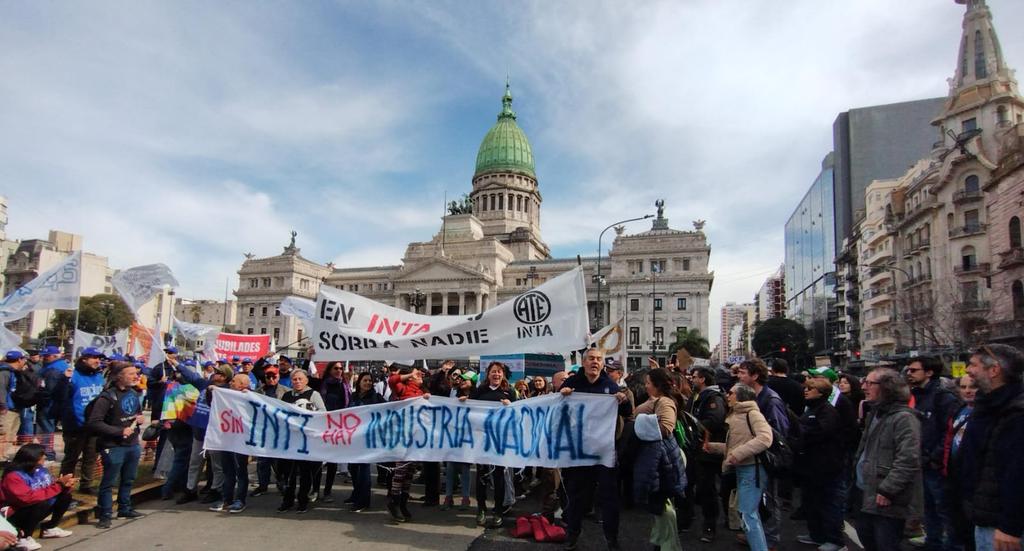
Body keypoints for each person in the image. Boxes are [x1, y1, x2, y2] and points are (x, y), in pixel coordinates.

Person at [559, 347, 632, 551]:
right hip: (578, 452)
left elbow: (627, 413)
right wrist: (561, 395)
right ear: (584, 362)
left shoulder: (610, 385)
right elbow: (556, 408)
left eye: (599, 359)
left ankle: (612, 538)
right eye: (591, 358)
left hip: (603, 452)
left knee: (609, 497)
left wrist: (623, 401)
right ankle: (572, 535)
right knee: (576, 496)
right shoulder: (571, 383)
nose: (595, 362)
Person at [959, 344, 1024, 551]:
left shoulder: (1016, 412)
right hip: (982, 515)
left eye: (973, 365)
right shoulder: (987, 406)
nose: (968, 370)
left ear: (994, 370)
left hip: (1003, 529)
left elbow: (1017, 472)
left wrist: (1010, 526)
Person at [853, 367, 922, 551]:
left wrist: (889, 489)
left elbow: (908, 458)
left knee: (886, 542)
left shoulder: (903, 418)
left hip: (885, 496)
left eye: (869, 383)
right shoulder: (876, 412)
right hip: (866, 490)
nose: (864, 387)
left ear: (886, 387)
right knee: (868, 537)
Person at [705, 383, 773, 551]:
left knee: (748, 514)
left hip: (752, 469)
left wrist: (737, 454)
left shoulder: (752, 414)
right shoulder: (737, 415)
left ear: (741, 396)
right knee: (748, 513)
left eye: (731, 393)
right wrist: (714, 447)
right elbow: (736, 444)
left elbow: (765, 438)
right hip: (744, 468)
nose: (727, 396)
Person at [906, 356, 963, 551]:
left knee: (945, 510)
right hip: (922, 460)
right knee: (929, 507)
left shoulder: (943, 396)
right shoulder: (917, 395)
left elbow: (949, 431)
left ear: (929, 372)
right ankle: (933, 541)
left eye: (914, 370)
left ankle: (953, 545)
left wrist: (934, 456)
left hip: (936, 464)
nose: (909, 374)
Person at [735, 359, 789, 549]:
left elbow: (779, 431)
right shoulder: (753, 397)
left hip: (768, 457)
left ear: (755, 375)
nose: (739, 376)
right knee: (757, 501)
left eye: (742, 373)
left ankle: (770, 539)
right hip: (755, 459)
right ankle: (758, 534)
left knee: (770, 499)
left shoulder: (771, 400)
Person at [86, 361, 146, 529]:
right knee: (109, 481)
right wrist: (118, 432)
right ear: (119, 377)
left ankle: (124, 508)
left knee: (128, 479)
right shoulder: (107, 397)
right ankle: (104, 514)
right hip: (113, 445)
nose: (136, 376)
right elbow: (95, 423)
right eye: (131, 374)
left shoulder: (133, 394)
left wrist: (139, 420)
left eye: (136, 373)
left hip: (132, 444)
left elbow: (136, 413)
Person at [461, 362, 515, 528]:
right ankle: (481, 509)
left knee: (499, 476)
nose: (496, 374)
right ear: (488, 374)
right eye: (493, 371)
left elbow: (518, 413)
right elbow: (469, 411)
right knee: (482, 475)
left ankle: (498, 510)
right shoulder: (479, 391)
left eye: (499, 372)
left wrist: (511, 406)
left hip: (500, 440)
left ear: (503, 374)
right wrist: (463, 401)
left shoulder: (510, 392)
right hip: (481, 440)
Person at [795, 377, 845, 550]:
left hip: (826, 465)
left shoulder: (827, 411)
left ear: (822, 393)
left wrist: (802, 432)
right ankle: (816, 534)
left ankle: (834, 539)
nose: (806, 390)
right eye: (806, 388)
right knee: (812, 501)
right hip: (810, 465)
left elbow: (821, 432)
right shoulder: (811, 409)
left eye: (810, 388)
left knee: (829, 502)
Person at [1, 443, 75, 549]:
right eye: (42, 455)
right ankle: (24, 537)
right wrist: (58, 486)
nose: (45, 457)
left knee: (65, 496)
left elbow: (51, 485)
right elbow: (26, 498)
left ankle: (50, 527)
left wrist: (65, 485)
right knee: (39, 502)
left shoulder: (41, 470)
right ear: (32, 457)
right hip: (14, 512)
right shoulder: (13, 476)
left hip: (35, 506)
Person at [56, 348, 105, 494]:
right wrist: (64, 380)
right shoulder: (72, 375)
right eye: (94, 358)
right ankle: (64, 487)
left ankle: (86, 485)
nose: (97, 361)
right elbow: (60, 397)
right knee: (71, 458)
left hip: (95, 425)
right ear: (84, 359)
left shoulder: (98, 376)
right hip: (75, 425)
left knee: (91, 456)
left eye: (99, 358)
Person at [277, 370, 325, 514]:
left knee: (305, 472)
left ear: (306, 381)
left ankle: (303, 500)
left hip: (306, 441)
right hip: (290, 440)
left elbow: (323, 413)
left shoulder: (313, 395)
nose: (297, 381)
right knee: (288, 473)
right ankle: (287, 500)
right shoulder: (286, 395)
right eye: (294, 379)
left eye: (300, 379)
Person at [385, 364, 428, 522]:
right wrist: (410, 374)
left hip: (416, 436)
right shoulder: (402, 388)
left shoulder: (421, 392)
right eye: (417, 375)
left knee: (410, 471)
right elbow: (392, 380)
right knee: (400, 470)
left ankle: (403, 502)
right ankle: (394, 501)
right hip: (402, 435)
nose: (420, 377)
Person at [688, 366, 727, 543]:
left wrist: (693, 426)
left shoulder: (713, 398)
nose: (691, 379)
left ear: (703, 379)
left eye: (694, 377)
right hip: (697, 449)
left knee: (707, 489)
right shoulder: (696, 396)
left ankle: (710, 525)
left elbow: (714, 420)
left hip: (708, 450)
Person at [944, 373, 978, 551]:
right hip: (953, 477)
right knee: (956, 526)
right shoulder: (959, 409)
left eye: (972, 387)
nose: (967, 391)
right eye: (963, 387)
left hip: (973, 483)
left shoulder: (984, 413)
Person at [213, 374, 253, 513]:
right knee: (227, 470)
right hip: (227, 440)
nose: (230, 383)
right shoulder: (226, 394)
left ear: (242, 384)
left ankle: (240, 500)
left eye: (234, 381)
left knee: (240, 471)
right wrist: (212, 391)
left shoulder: (250, 397)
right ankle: (226, 499)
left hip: (241, 442)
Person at [346, 372, 384, 512]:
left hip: (368, 438)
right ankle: (356, 494)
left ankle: (363, 501)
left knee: (363, 469)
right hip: (354, 438)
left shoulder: (376, 397)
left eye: (370, 381)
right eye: (365, 380)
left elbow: (387, 412)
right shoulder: (354, 396)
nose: (368, 383)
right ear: (359, 382)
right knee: (353, 468)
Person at [251, 366, 288, 497]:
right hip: (263, 430)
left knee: (279, 461)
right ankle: (262, 485)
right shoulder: (258, 392)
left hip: (279, 430)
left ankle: (282, 483)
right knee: (262, 460)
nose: (271, 379)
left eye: (274, 376)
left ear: (278, 377)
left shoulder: (286, 391)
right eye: (268, 377)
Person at [318, 362, 350, 503]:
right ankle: (314, 489)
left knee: (332, 461)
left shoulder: (344, 385)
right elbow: (304, 374)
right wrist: (309, 357)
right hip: (322, 426)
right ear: (330, 370)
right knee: (318, 460)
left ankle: (327, 491)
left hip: (338, 427)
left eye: (341, 368)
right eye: (335, 368)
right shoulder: (322, 384)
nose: (339, 370)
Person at [442, 371, 475, 511]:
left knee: (465, 468)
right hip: (453, 435)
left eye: (465, 379)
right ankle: (448, 497)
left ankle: (465, 498)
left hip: (469, 437)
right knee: (450, 467)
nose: (462, 381)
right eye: (461, 379)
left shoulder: (477, 397)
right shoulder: (454, 394)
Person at [36, 346, 68, 462]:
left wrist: (40, 396)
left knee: (45, 429)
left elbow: (49, 389)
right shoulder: (63, 365)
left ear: (55, 356)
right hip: (58, 403)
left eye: (47, 356)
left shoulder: (53, 369)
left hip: (49, 404)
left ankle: (48, 454)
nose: (44, 358)